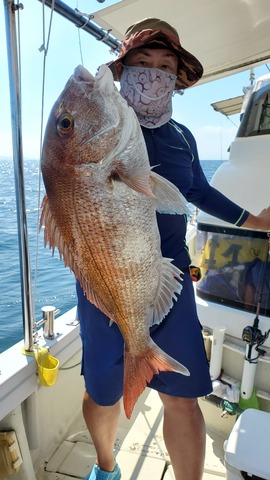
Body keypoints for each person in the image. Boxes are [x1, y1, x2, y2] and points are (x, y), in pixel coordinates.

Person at [77, 18, 270, 480]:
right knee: (103, 391)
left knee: (182, 395)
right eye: (142, 62)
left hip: (170, 281)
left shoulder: (183, 136)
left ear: (177, 79)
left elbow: (198, 191)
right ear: (121, 70)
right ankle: (107, 468)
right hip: (105, 279)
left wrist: (254, 221)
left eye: (165, 65)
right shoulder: (100, 128)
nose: (153, 73)